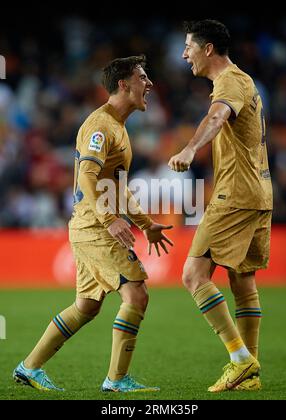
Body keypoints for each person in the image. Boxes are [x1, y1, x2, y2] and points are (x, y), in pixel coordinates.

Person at [13, 55, 173, 393]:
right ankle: (116, 380)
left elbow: (116, 187)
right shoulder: (101, 125)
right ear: (123, 85)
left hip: (89, 226)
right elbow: (87, 176)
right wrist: (109, 218)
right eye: (143, 78)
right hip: (95, 228)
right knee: (137, 294)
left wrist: (145, 224)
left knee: (87, 305)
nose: (150, 84)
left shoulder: (118, 126)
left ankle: (29, 367)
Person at [168, 20, 273, 392]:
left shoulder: (229, 81)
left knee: (193, 275)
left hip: (236, 195)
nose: (184, 54)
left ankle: (241, 360)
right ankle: (252, 374)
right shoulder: (245, 81)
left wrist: (189, 148)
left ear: (207, 49)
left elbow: (217, 116)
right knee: (242, 280)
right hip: (260, 192)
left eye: (188, 47)